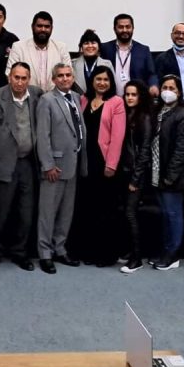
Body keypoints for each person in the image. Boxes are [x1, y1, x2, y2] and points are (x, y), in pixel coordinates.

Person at [132, 74, 184, 270]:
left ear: (179, 92)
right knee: (165, 215)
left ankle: (173, 253)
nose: (168, 91)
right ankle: (165, 249)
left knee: (173, 214)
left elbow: (182, 149)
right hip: (157, 172)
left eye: (172, 88)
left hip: (172, 175)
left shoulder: (183, 114)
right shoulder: (158, 111)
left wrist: (170, 176)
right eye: (165, 87)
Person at [0, 62, 42, 272]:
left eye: (24, 78)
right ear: (9, 77)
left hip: (28, 163)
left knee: (26, 213)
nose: (19, 82)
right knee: (0, 213)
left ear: (29, 79)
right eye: (16, 77)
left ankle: (20, 253)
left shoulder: (37, 95)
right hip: (4, 162)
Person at [70, 65, 126, 266]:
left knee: (105, 210)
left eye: (106, 80)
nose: (102, 83)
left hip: (105, 163)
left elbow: (118, 137)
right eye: (98, 79)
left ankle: (106, 254)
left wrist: (111, 164)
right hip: (85, 162)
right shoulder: (83, 100)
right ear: (92, 81)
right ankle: (87, 251)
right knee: (86, 208)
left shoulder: (116, 103)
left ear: (111, 83)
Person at [35, 63, 87, 273]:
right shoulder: (47, 100)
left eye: (68, 75)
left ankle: (60, 248)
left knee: (66, 212)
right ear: (53, 79)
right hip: (54, 167)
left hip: (72, 163)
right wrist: (48, 165)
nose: (65, 79)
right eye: (61, 76)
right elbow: (43, 135)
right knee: (48, 212)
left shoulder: (75, 97)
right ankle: (45, 253)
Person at [119, 80, 154, 273]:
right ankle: (129, 251)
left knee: (131, 214)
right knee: (126, 212)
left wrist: (136, 178)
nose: (130, 98)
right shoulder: (126, 114)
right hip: (125, 171)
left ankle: (137, 258)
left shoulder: (145, 117)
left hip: (136, 174)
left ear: (140, 97)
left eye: (134, 94)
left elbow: (145, 150)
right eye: (127, 94)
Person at [6, 11, 71, 93]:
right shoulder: (18, 47)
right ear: (32, 27)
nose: (43, 29)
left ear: (51, 28)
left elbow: (68, 77)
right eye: (39, 26)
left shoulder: (61, 48)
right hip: (26, 99)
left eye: (47, 26)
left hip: (54, 99)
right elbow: (10, 75)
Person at [100, 13, 158, 95]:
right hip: (111, 99)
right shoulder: (105, 48)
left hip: (135, 99)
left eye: (128, 27)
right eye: (121, 27)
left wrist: (153, 85)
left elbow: (151, 74)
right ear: (114, 29)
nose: (124, 30)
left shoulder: (143, 50)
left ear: (133, 28)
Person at [70, 29, 112, 94]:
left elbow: (113, 87)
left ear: (99, 46)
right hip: (78, 101)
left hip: (102, 101)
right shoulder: (72, 64)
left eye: (93, 43)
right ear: (81, 47)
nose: (90, 46)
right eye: (86, 43)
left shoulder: (107, 64)